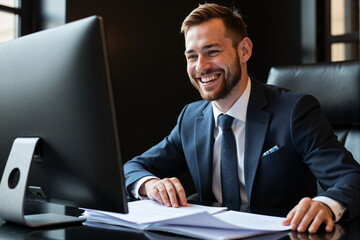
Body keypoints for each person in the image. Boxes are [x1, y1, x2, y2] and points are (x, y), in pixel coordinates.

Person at [124, 3, 360, 234]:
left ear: (244, 50)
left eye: (212, 52)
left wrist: (326, 205)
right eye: (192, 56)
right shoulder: (191, 118)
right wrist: (149, 184)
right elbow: (132, 168)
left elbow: (351, 177)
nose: (201, 66)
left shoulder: (294, 112)